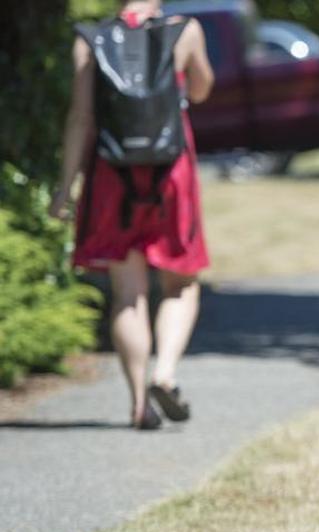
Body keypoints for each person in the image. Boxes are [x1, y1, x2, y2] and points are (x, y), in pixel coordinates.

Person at [49, 0, 214, 429]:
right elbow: (200, 90)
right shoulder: (185, 30)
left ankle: (140, 402)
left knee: (127, 294)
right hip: (170, 172)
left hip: (112, 176)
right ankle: (165, 373)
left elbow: (81, 117)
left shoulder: (90, 39)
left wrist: (66, 187)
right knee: (181, 284)